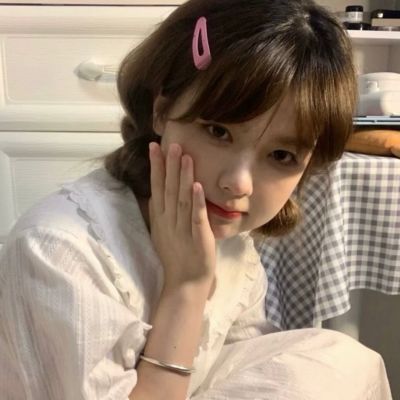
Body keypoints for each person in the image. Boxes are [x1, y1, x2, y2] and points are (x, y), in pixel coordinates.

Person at [0, 0, 392, 399]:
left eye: (281, 156)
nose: (238, 183)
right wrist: (187, 287)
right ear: (161, 110)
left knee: (339, 360)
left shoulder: (229, 241)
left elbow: (245, 369)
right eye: (218, 131)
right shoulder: (59, 253)